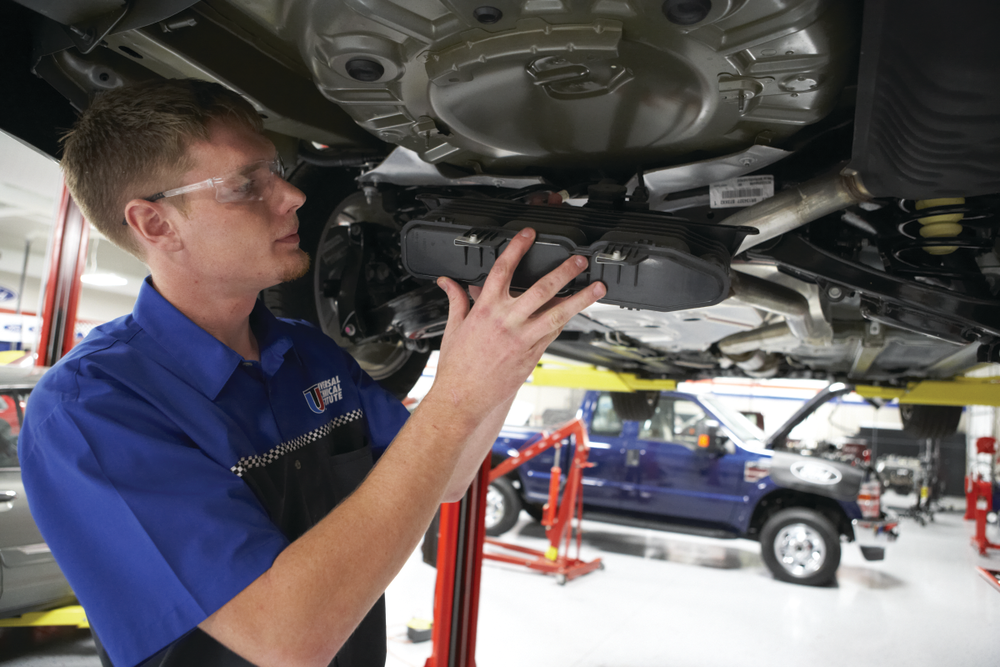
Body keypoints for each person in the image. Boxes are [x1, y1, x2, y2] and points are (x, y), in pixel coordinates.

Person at [18, 78, 605, 667]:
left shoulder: (306, 352)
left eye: (274, 170)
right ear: (156, 224)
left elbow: (446, 478)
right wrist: (455, 396)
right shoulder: (92, 407)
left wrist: (508, 349)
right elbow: (287, 640)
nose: (293, 195)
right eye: (247, 185)